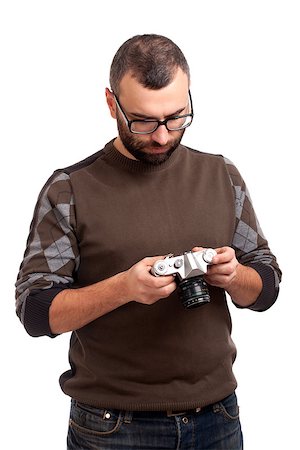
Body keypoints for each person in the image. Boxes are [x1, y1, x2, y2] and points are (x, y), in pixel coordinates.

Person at [15, 34, 281, 450]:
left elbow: (267, 288)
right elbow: (35, 311)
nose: (161, 136)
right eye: (143, 121)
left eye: (177, 118)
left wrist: (233, 276)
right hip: (112, 428)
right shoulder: (69, 189)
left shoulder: (222, 175)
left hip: (218, 418)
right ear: (110, 103)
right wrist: (124, 288)